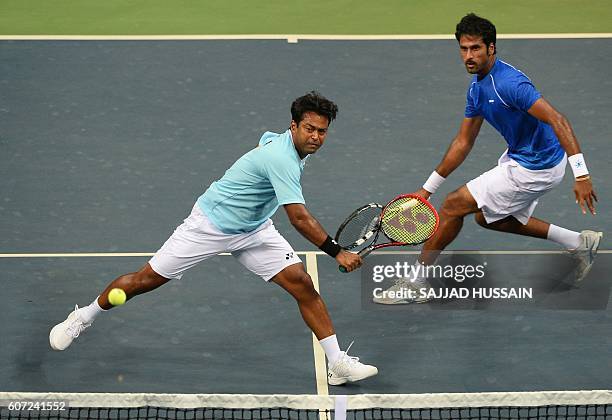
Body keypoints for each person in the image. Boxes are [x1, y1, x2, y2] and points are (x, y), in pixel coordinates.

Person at [50, 91, 378, 385]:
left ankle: (337, 364)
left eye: (322, 131)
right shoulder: (282, 159)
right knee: (144, 280)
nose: (317, 137)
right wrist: (336, 252)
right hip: (210, 225)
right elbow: (299, 218)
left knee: (302, 284)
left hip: (254, 229)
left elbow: (264, 140)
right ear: (293, 126)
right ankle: (83, 316)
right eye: (310, 129)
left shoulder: (280, 145)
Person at [375, 14, 602, 304]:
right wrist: (426, 189)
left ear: (491, 48)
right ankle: (579, 242)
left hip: (536, 166)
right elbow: (463, 142)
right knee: (487, 217)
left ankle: (417, 282)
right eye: (463, 48)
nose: (468, 56)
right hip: (524, 156)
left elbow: (558, 120)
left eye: (476, 49)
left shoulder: (510, 84)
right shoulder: (477, 88)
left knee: (453, 205)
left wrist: (581, 174)